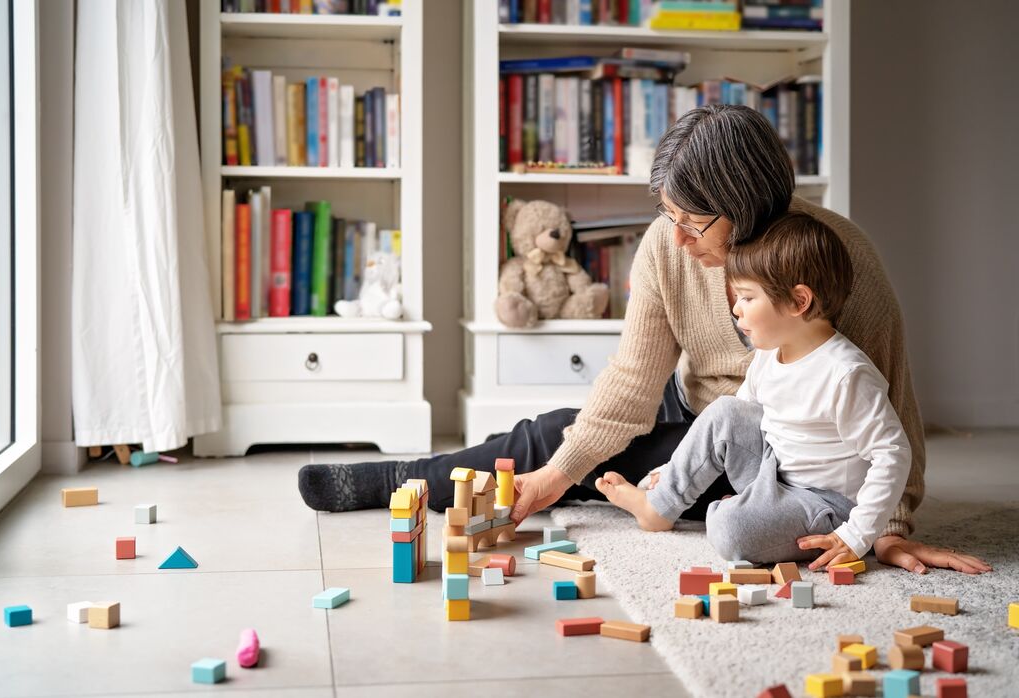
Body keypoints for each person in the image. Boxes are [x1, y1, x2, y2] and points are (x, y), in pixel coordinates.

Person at [298, 104, 991, 576]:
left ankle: (620, 492)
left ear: (747, 207)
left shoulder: (842, 260)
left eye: (695, 223)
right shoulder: (668, 245)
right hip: (699, 412)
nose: (678, 240)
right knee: (552, 439)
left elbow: (892, 412)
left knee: (707, 501)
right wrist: (555, 475)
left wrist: (887, 529)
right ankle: (401, 480)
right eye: (669, 218)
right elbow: (633, 382)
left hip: (790, 457)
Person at [596, 212, 910, 570]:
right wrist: (670, 470)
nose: (735, 308)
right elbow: (733, 420)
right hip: (773, 472)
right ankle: (659, 507)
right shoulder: (769, 355)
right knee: (725, 410)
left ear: (798, 301)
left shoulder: (846, 374)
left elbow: (893, 454)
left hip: (825, 505)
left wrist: (857, 535)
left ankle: (743, 511)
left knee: (729, 530)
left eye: (747, 297)